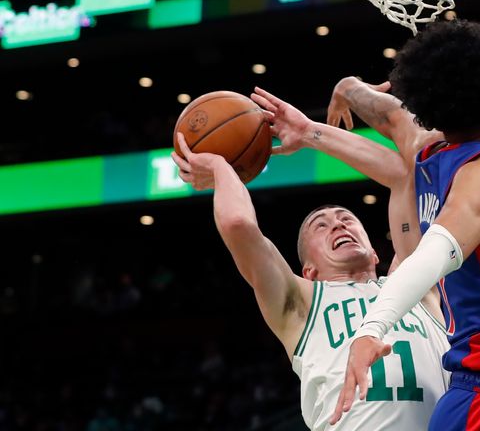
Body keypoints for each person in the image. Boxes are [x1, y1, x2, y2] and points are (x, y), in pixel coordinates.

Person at [330, 20, 480, 430]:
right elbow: (433, 254)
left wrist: (348, 88)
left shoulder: (427, 152)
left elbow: (388, 114)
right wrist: (371, 328)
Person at [170, 95, 449, 429]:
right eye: (322, 225)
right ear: (309, 271)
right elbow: (238, 225)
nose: (338, 224)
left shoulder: (415, 281)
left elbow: (403, 174)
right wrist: (220, 168)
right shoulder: (299, 302)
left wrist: (309, 132)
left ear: (375, 252)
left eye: (346, 218)